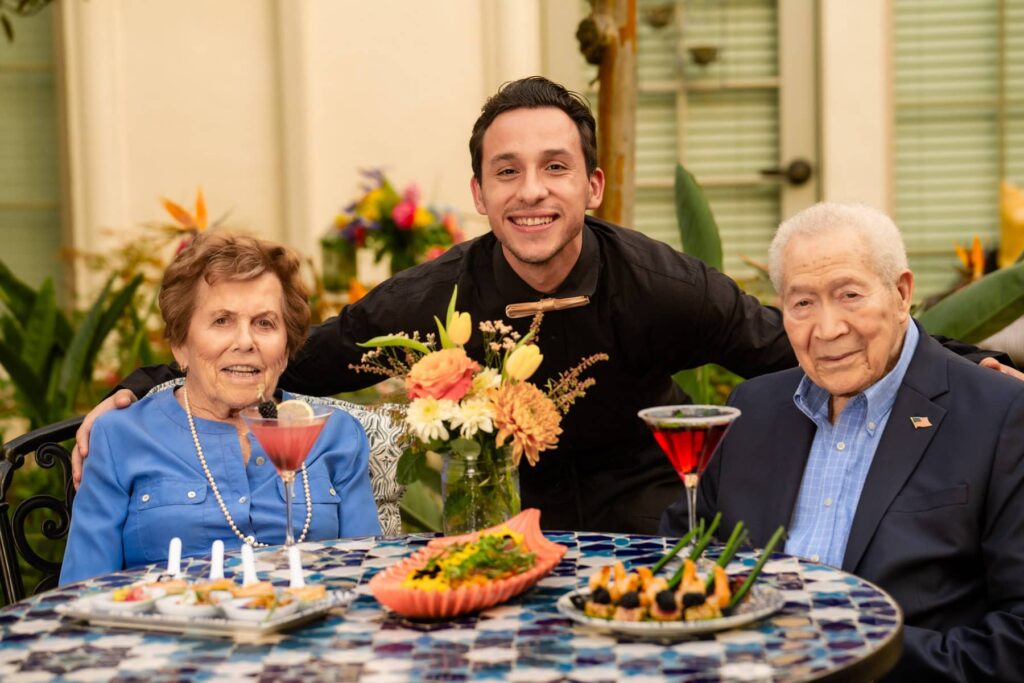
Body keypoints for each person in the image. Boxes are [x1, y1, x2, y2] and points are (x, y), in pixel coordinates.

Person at [73, 77, 1018, 535]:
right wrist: (152, 384)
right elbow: (296, 359)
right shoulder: (429, 294)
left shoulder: (660, 282)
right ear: (480, 195)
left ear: (594, 184)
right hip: (489, 526)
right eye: (508, 172)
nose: (533, 191)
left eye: (556, 167)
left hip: (640, 516)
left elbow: (798, 347)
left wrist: (947, 368)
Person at [662, 203, 1024, 681]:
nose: (827, 329)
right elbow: (679, 553)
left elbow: (1016, 638)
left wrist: (843, 649)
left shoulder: (999, 413)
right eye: (803, 303)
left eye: (849, 294)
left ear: (901, 294)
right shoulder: (752, 409)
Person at [59, 232, 381, 584]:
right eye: (222, 321)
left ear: (287, 347)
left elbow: (368, 576)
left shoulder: (335, 433)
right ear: (181, 345)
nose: (245, 342)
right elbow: (83, 591)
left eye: (264, 323)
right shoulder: (120, 436)